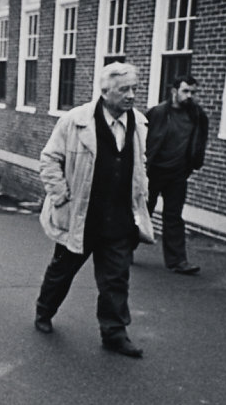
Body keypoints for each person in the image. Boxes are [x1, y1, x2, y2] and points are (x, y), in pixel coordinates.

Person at [34, 62, 155, 358]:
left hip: (119, 218)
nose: (131, 96)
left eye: (134, 89)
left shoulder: (139, 123)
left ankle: (114, 333)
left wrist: (142, 196)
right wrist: (61, 195)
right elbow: (49, 159)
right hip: (81, 216)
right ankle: (44, 311)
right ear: (105, 91)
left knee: (116, 278)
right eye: (124, 89)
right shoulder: (75, 121)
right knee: (62, 271)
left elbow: (139, 165)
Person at [144, 74, 209, 275]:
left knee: (174, 217)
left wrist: (192, 164)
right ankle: (124, 251)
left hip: (178, 174)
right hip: (153, 171)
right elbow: (142, 139)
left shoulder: (197, 115)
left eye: (193, 92)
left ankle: (178, 261)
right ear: (174, 91)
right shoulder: (156, 113)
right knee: (142, 212)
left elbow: (200, 142)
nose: (189, 96)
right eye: (185, 91)